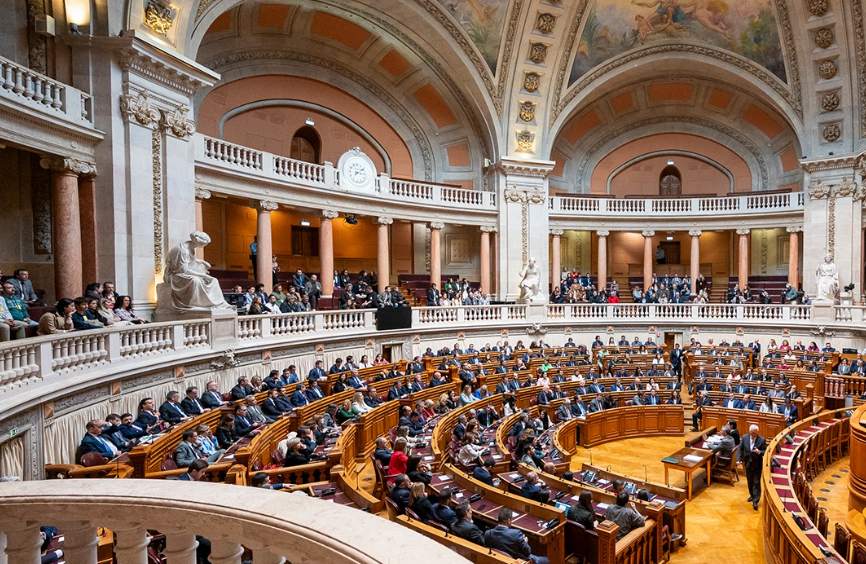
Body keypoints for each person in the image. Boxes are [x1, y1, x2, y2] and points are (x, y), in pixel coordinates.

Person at [484, 508, 549, 564]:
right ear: (508, 521)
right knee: (547, 560)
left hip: (499, 560)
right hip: (518, 560)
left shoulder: (488, 533)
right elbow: (528, 552)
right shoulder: (516, 533)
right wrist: (525, 542)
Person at [739, 424, 767, 510]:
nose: (753, 435)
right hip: (747, 463)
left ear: (757, 433)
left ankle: (755, 501)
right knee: (750, 481)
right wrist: (738, 459)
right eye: (751, 433)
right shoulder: (744, 438)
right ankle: (752, 495)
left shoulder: (762, 440)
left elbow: (765, 451)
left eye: (754, 433)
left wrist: (759, 452)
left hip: (757, 464)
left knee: (756, 482)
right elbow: (740, 448)